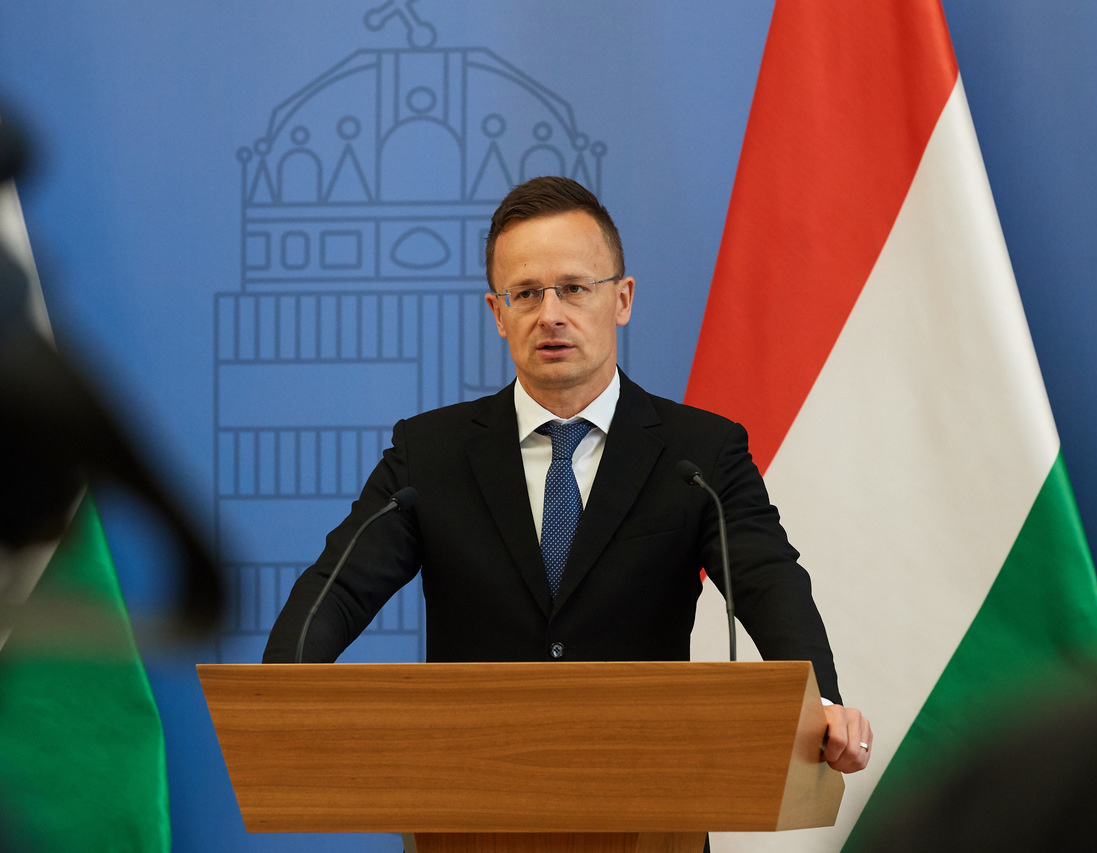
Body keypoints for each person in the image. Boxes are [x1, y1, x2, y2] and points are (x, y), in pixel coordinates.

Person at [263, 176, 871, 774]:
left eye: (574, 288)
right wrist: (278, 692)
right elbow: (341, 587)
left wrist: (819, 704)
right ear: (498, 313)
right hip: (474, 788)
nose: (550, 315)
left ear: (622, 299)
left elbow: (765, 579)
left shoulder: (699, 455)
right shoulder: (429, 453)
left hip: (647, 786)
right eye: (526, 294)